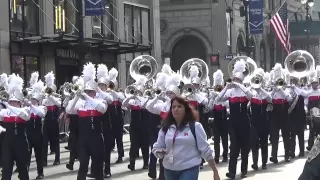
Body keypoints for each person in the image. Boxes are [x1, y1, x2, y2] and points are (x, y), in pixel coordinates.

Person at [152, 96, 220, 180]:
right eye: (173, 107)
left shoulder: (195, 127)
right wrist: (159, 152)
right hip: (169, 169)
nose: (176, 109)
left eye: (179, 106)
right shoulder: (165, 128)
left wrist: (215, 171)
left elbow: (206, 150)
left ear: (186, 109)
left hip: (190, 168)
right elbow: (157, 147)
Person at [0, 74, 31, 180]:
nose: (12, 103)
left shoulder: (25, 110)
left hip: (21, 142)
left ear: (19, 102)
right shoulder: (4, 111)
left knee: (22, 169)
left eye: (15, 102)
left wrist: (9, 106)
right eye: (11, 101)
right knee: (6, 170)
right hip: (7, 143)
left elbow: (24, 116)